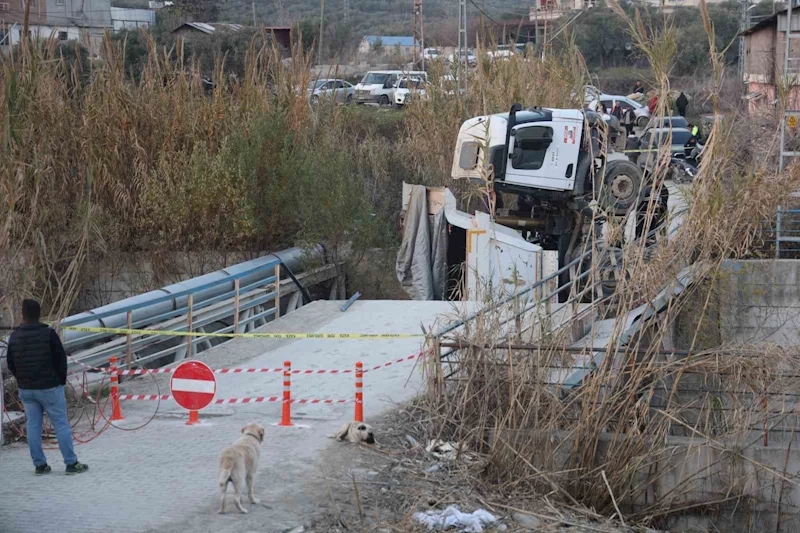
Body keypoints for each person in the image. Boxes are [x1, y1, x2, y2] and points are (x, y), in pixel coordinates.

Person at [6, 300, 89, 475]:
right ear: (39, 313)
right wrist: (60, 380)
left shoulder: (15, 336)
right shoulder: (48, 333)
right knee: (61, 424)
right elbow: (61, 360)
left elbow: (10, 363)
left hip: (26, 389)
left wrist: (21, 380)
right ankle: (71, 463)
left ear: (23, 314)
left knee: (33, 425)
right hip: (50, 387)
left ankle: (40, 465)